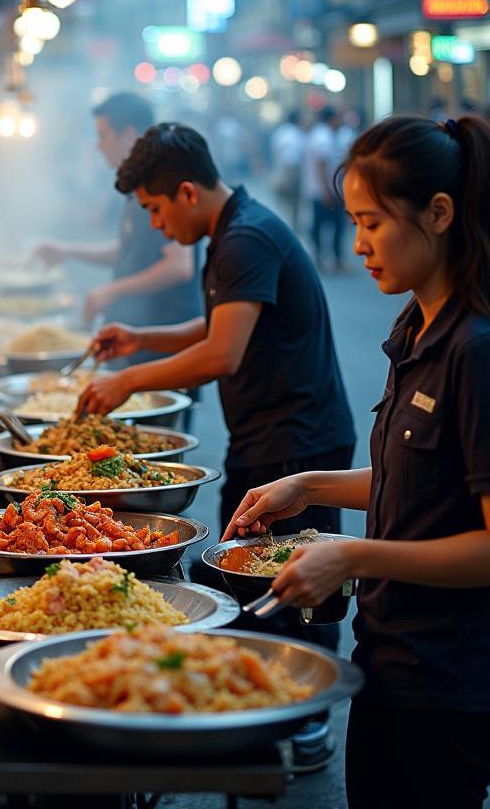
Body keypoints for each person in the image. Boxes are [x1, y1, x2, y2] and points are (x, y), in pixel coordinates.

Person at [223, 114, 490, 809]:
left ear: (438, 213)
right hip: (388, 658)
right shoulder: (415, 325)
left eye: (372, 223)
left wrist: (352, 557)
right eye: (352, 221)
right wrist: (306, 485)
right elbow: (420, 485)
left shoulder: (475, 349)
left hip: (449, 683)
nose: (357, 244)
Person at [77, 126, 355, 646]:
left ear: (187, 192)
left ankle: (302, 709)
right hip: (270, 432)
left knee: (288, 585)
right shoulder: (230, 231)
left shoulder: (245, 238)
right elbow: (223, 324)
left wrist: (128, 381)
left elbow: (222, 352)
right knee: (252, 583)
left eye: (156, 210)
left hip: (295, 439)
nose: (157, 226)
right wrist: (141, 338)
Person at [34, 94, 200, 344]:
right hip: (135, 334)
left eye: (102, 136)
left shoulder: (161, 183)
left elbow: (179, 265)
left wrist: (111, 291)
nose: (97, 146)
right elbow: (132, 249)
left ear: (129, 135)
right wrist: (70, 251)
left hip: (163, 338)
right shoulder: (138, 184)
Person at [303, 105, 346, 270]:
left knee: (321, 225)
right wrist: (327, 189)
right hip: (324, 190)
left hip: (319, 189)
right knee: (332, 225)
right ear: (331, 118)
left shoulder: (320, 134)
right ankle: (333, 260)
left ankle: (324, 259)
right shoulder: (324, 137)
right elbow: (322, 165)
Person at [270, 109, 305, 232]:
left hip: (279, 174)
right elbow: (290, 160)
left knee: (283, 207)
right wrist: (290, 178)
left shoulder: (280, 132)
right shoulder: (294, 135)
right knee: (292, 209)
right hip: (290, 177)